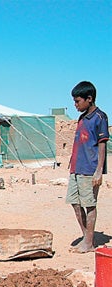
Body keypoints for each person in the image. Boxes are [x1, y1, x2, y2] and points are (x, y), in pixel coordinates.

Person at [66, 81, 109, 253]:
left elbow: (102, 144)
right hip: (76, 168)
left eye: (77, 101)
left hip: (89, 169)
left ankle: (89, 243)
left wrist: (99, 171)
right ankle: (86, 237)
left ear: (89, 99)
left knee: (89, 205)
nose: (75, 105)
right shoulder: (82, 118)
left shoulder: (100, 117)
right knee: (75, 202)